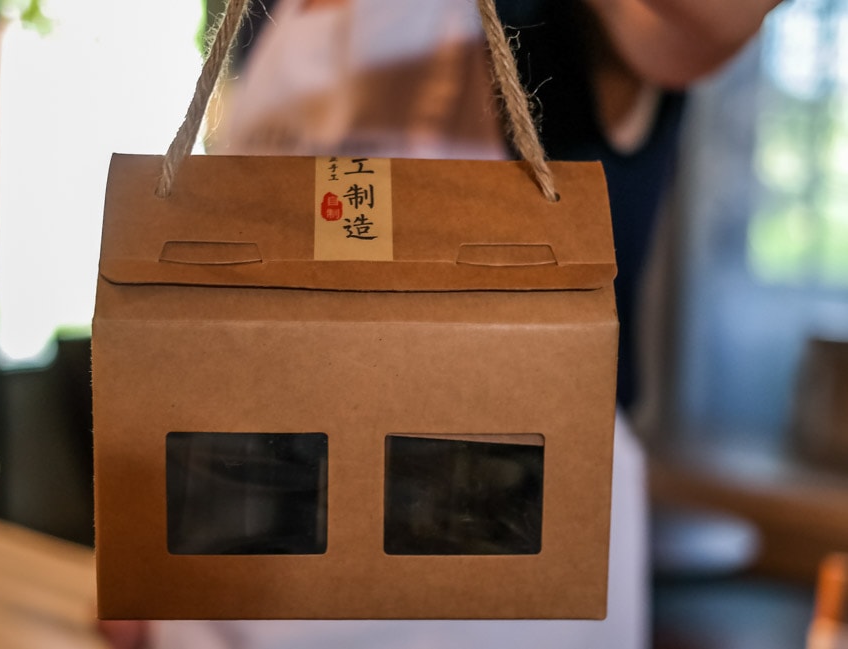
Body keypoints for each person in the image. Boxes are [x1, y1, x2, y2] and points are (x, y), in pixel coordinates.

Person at [101, 1, 780, 647]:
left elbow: (722, 16)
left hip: (492, 543)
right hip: (255, 544)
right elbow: (230, 308)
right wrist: (153, 559)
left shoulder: (557, 19)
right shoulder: (278, 14)